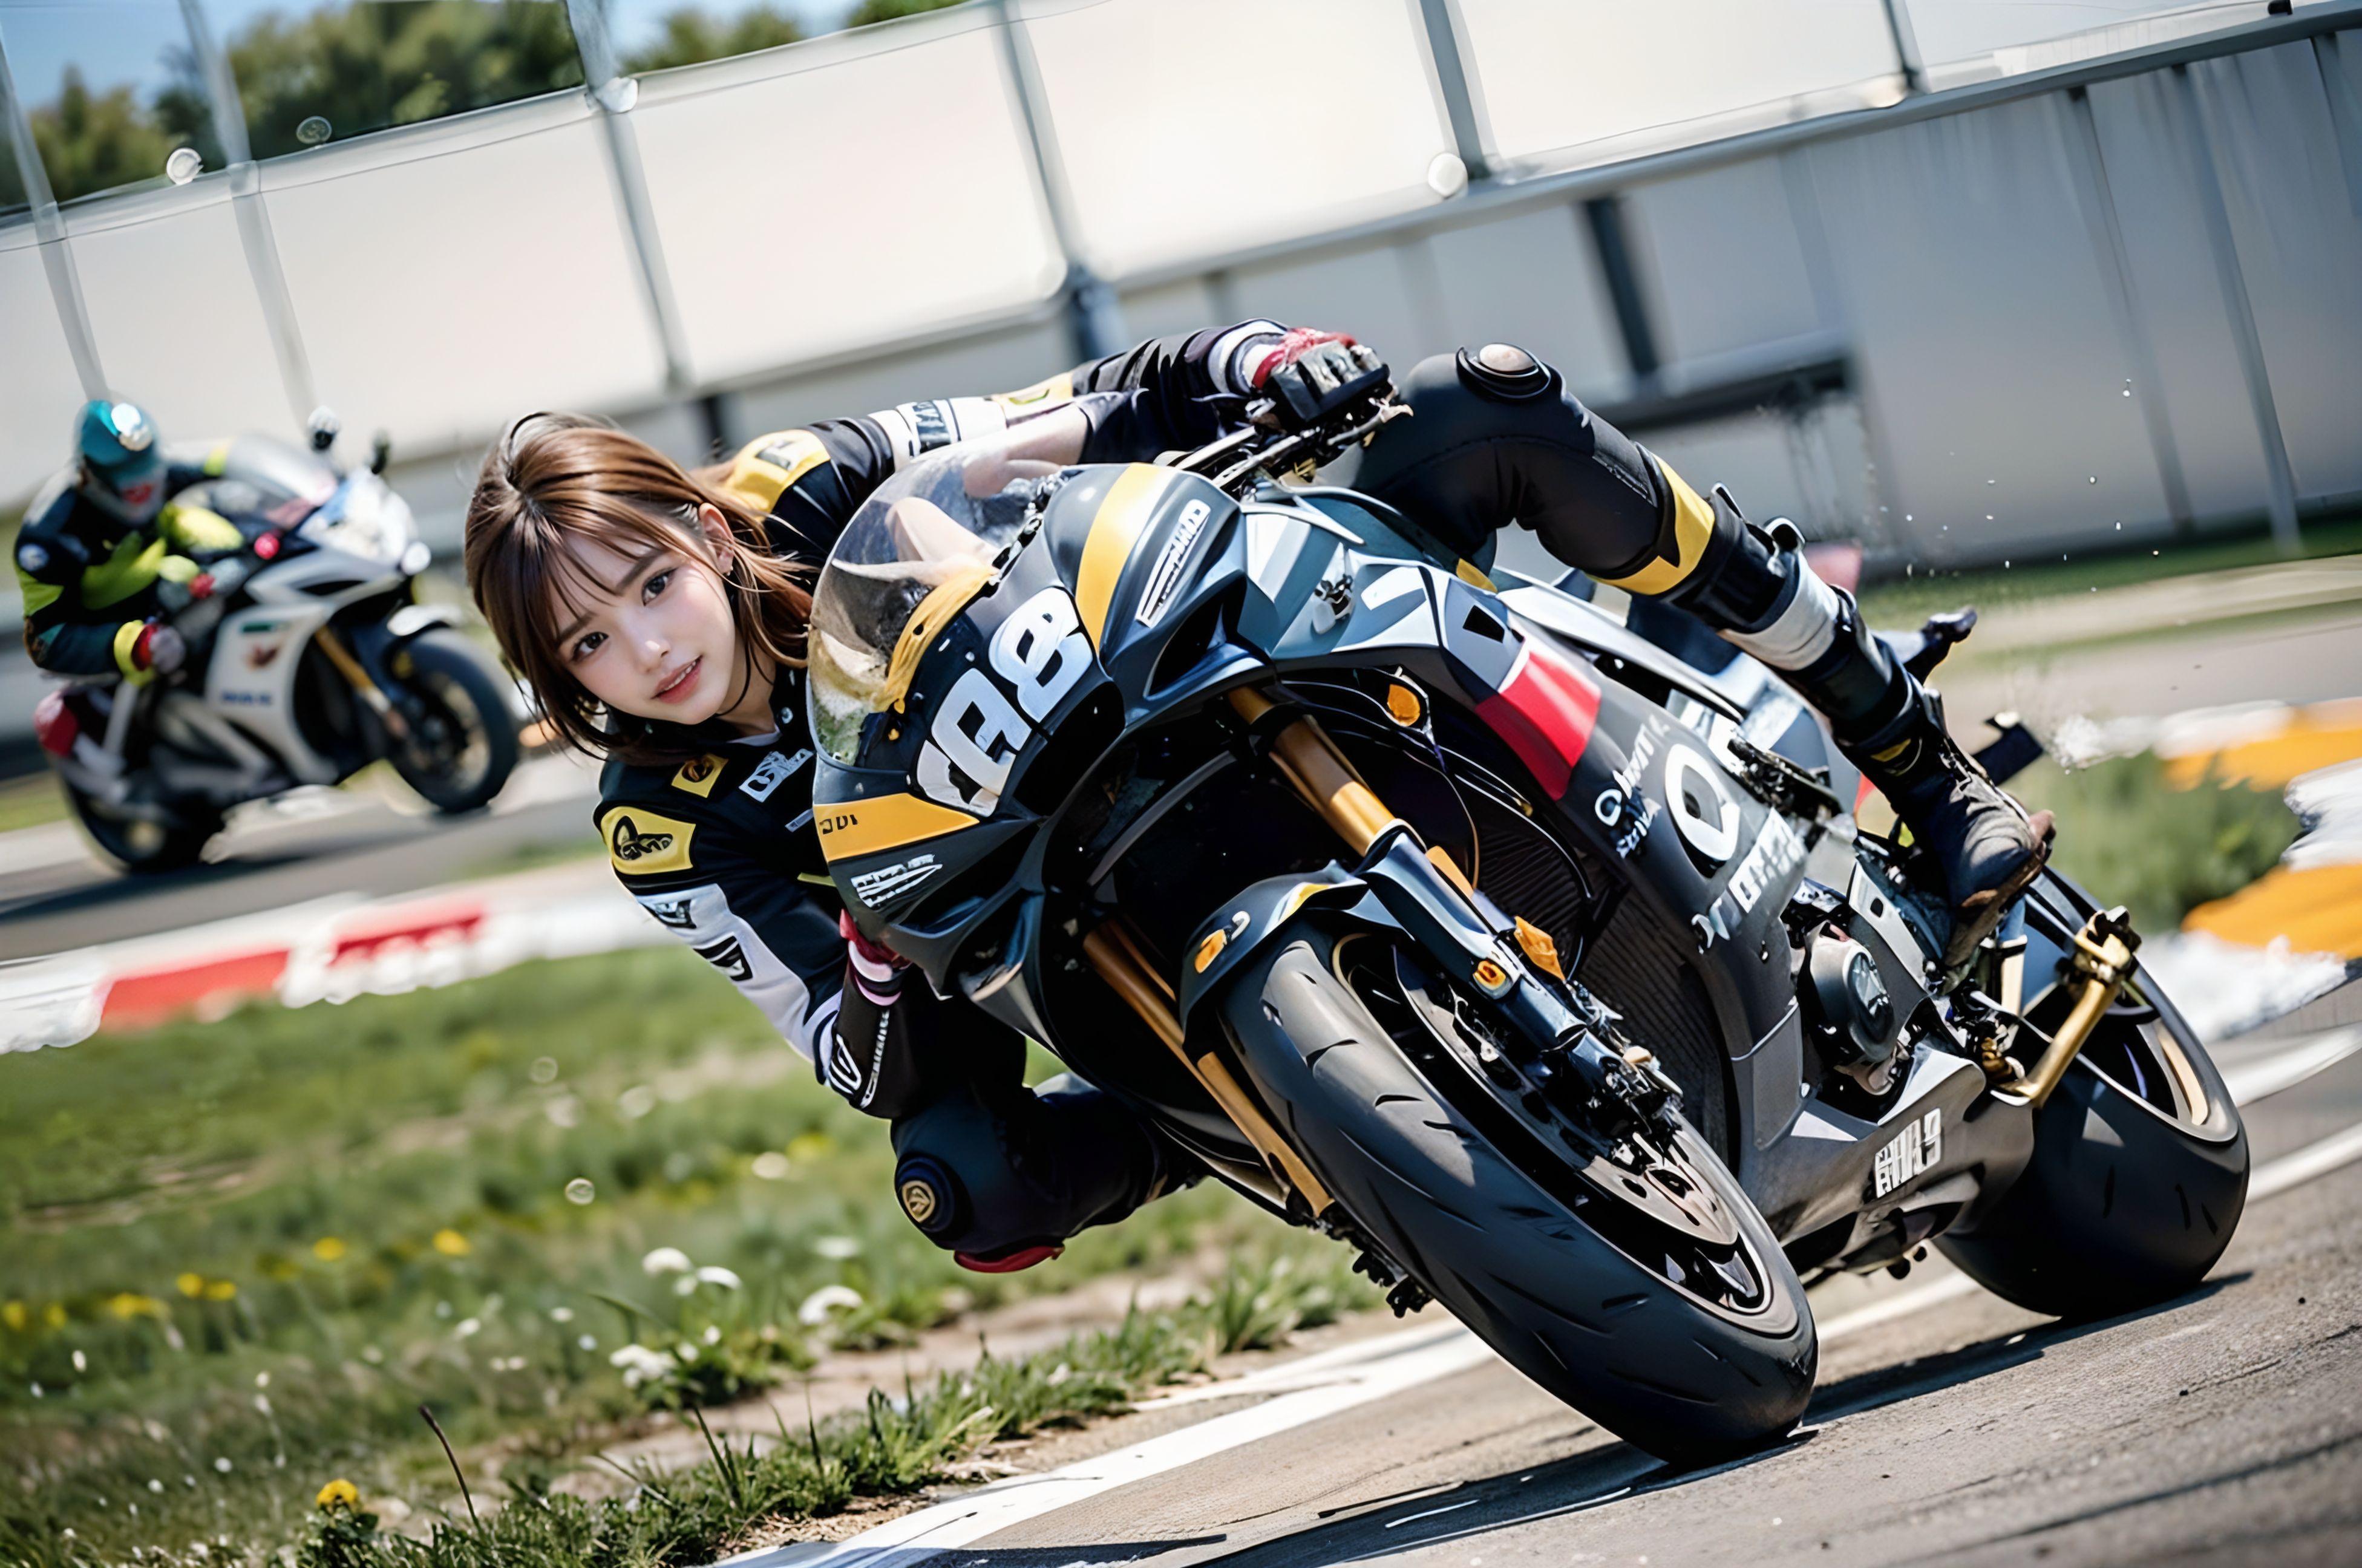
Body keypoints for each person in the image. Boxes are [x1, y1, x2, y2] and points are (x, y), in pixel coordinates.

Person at [463, 322, 2050, 1272]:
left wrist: (1251, 362)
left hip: (1170, 685)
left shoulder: (800, 482)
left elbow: (1091, 407)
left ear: (705, 534)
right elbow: (847, 1055)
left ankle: (1917, 758)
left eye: (650, 585)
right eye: (587, 644)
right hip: (1062, 909)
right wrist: (873, 969)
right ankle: (1332, 1131)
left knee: (1478, 402)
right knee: (968, 1177)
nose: (645, 652)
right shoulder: (661, 827)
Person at [13, 400, 247, 684]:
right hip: (119, 644)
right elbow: (45, 641)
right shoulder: (48, 539)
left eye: (151, 476)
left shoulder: (155, 470)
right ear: (93, 479)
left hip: (171, 593)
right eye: (136, 490)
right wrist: (135, 645)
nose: (149, 492)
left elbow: (232, 454)